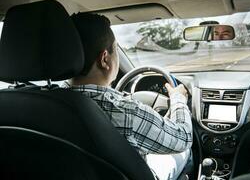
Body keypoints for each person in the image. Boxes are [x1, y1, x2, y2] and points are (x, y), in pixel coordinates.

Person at [66, 13, 193, 180]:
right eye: (116, 49)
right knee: (184, 153)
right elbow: (183, 138)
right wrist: (178, 100)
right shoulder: (125, 110)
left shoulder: (38, 101)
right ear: (105, 59)